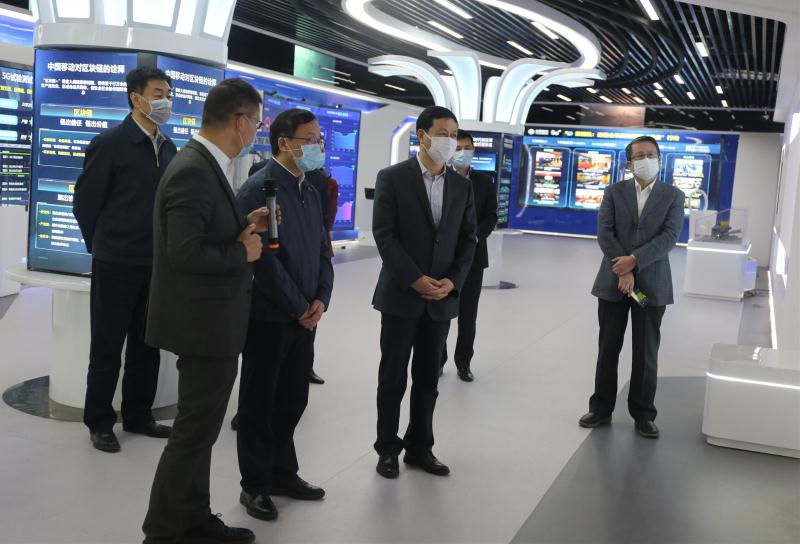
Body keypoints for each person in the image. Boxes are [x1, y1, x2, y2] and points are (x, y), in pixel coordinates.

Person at [142, 78, 270, 544]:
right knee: (193, 433)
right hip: (203, 325)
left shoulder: (206, 164)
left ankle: (193, 519)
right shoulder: (194, 169)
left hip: (211, 320)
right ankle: (161, 533)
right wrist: (242, 252)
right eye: (257, 122)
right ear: (240, 122)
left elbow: (202, 231)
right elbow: (184, 253)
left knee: (202, 431)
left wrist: (242, 224)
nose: (257, 130)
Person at [235, 108, 333, 522]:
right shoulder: (260, 189)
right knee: (259, 402)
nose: (317, 147)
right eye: (309, 140)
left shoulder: (310, 187)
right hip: (269, 316)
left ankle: (282, 472)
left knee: (292, 398)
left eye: (319, 140)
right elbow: (261, 262)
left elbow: (322, 249)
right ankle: (255, 484)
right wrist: (298, 307)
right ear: (284, 143)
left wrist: (321, 298)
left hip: (304, 315)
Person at [73, 67, 176, 453]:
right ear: (136, 98)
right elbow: (85, 203)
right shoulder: (110, 143)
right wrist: (103, 246)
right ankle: (99, 422)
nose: (166, 100)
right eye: (158, 93)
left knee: (148, 345)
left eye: (168, 94)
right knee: (107, 345)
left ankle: (138, 415)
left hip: (155, 264)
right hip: (115, 263)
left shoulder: (169, 148)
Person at [372, 106, 477, 479]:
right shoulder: (392, 178)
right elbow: (385, 234)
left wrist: (453, 281)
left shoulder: (462, 186)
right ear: (422, 135)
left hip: (440, 299)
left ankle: (420, 447)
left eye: (454, 134)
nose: (450, 141)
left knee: (428, 379)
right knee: (393, 378)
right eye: (443, 133)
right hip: (402, 295)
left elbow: (468, 239)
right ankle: (387, 448)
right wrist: (414, 278)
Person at [578, 135, 684, 439]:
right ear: (629, 163)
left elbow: (669, 238)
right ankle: (601, 408)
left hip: (652, 284)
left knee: (646, 352)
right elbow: (605, 233)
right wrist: (622, 268)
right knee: (608, 348)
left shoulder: (673, 196)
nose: (646, 160)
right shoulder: (613, 192)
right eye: (639, 155)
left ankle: (643, 414)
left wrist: (634, 263)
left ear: (659, 159)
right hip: (614, 282)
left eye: (651, 154)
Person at [439, 130, 498, 382]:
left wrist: (473, 238)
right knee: (441, 312)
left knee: (468, 315)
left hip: (473, 257)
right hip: (443, 257)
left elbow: (491, 216)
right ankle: (438, 360)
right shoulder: (440, 178)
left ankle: (463, 363)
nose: (463, 152)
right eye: (458, 147)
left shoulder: (484, 182)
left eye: (467, 148)